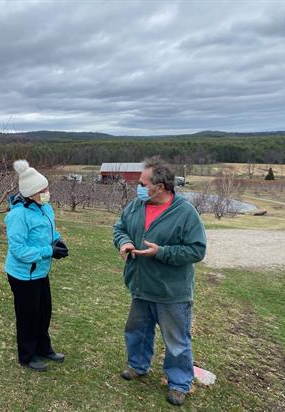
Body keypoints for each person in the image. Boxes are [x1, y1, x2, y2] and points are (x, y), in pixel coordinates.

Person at [113, 157, 207, 406]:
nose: (139, 186)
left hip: (171, 292)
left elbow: (197, 250)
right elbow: (119, 227)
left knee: (176, 341)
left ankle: (179, 383)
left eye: (143, 183)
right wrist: (124, 242)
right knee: (136, 331)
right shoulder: (136, 206)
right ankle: (138, 366)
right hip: (141, 285)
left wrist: (162, 252)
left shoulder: (185, 213)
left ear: (161, 186)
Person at [4, 159, 69, 372]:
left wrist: (58, 241)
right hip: (23, 275)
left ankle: (43, 348)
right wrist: (49, 251)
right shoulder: (18, 215)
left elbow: (49, 232)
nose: (47, 192)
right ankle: (27, 355)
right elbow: (19, 251)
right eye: (44, 189)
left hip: (40, 271)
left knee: (43, 312)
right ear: (31, 192)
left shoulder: (45, 208)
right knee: (27, 316)